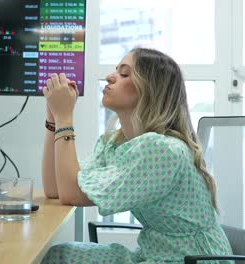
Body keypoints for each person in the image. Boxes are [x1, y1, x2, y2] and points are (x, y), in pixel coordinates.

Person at [40, 48, 233, 263]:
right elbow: (56, 189)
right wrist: (54, 119)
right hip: (155, 255)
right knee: (61, 256)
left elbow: (72, 195)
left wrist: (65, 117)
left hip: (188, 260)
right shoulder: (115, 143)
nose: (110, 77)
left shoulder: (161, 150)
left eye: (124, 74)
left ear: (150, 90)